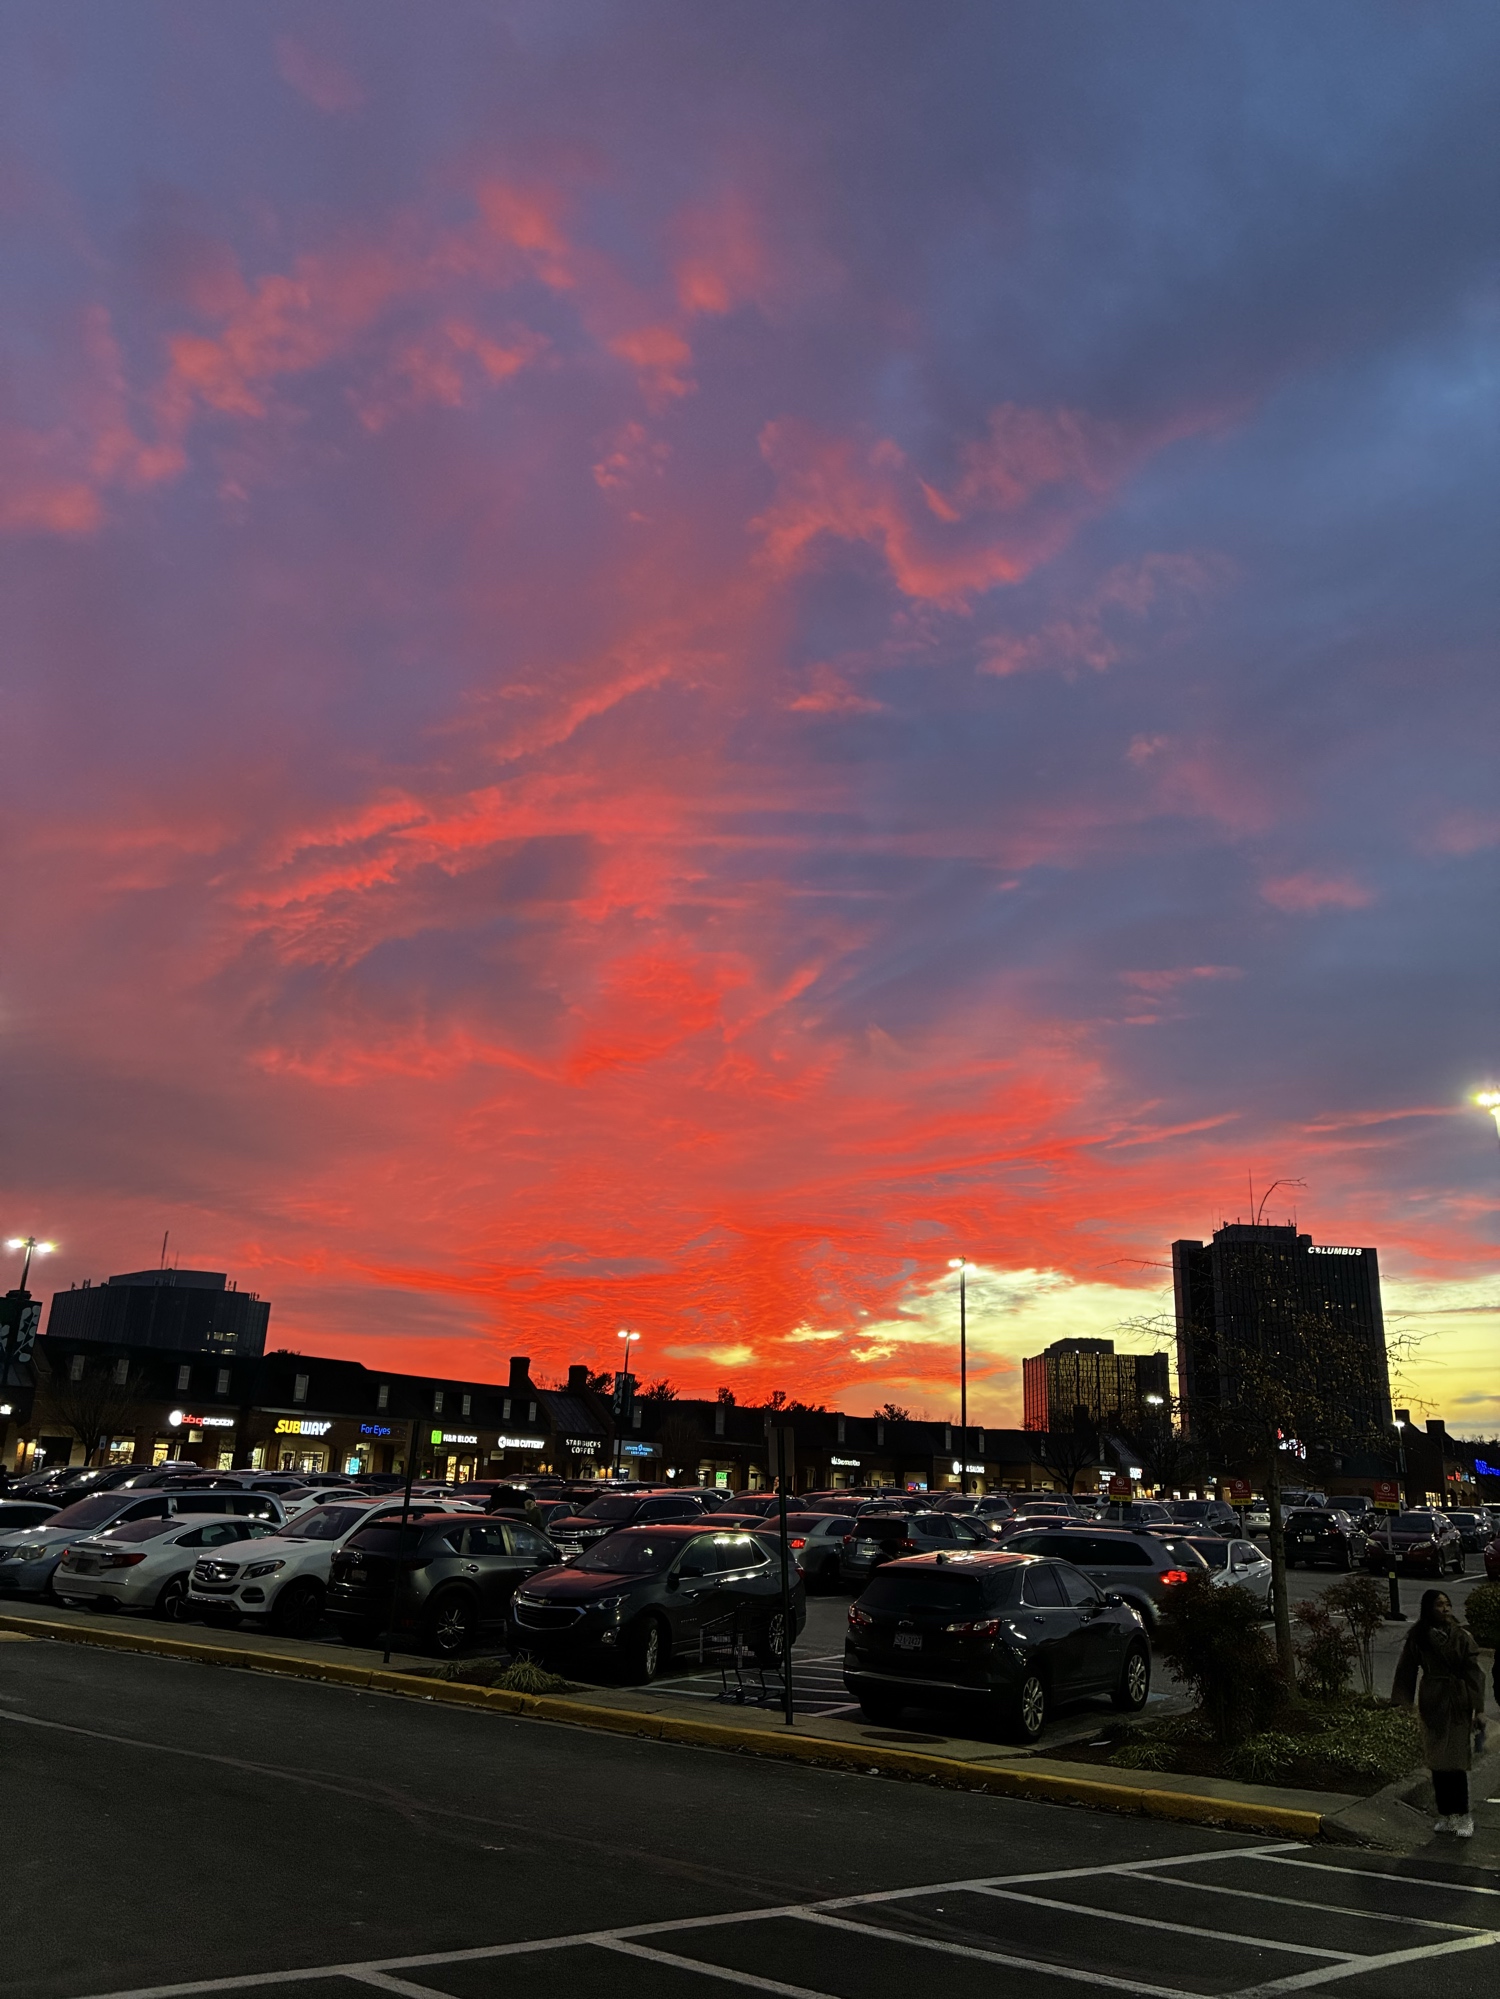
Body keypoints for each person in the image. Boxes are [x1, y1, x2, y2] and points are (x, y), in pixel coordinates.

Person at [1391, 1588, 1485, 1838]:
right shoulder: (1419, 1637)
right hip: (1433, 1702)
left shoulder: (1461, 1636)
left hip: (1458, 1703)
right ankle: (1446, 1814)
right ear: (1428, 1608)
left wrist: (1479, 1709)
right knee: (1437, 1763)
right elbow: (1406, 1670)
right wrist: (1402, 1703)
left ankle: (1463, 1815)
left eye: (1447, 1604)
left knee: (1456, 1762)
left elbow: (1474, 1674)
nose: (1445, 1609)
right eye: (1439, 1605)